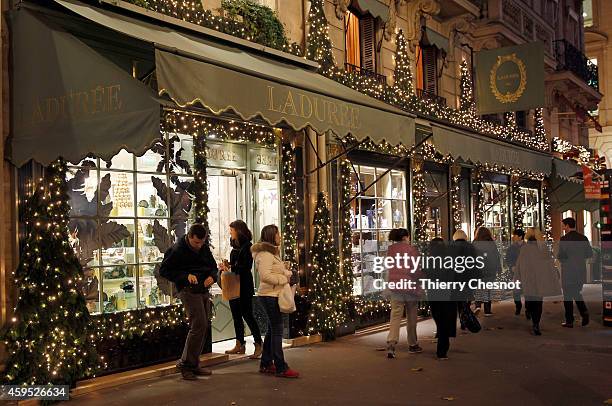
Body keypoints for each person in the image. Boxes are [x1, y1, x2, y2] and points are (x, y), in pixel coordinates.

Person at [159, 224, 218, 380]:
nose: (199, 246)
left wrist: (213, 276)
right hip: (188, 290)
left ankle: (193, 363)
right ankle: (186, 364)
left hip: (203, 290)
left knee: (203, 326)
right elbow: (164, 270)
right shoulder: (177, 249)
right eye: (196, 243)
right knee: (198, 324)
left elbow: (213, 266)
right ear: (190, 237)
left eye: (201, 243)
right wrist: (185, 277)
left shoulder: (204, 248)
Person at [251, 225, 299, 378]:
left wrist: (286, 271)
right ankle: (280, 366)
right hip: (269, 295)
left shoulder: (271, 253)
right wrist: (283, 278)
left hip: (272, 293)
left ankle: (266, 363)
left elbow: (272, 271)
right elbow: (265, 275)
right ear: (272, 235)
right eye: (278, 233)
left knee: (273, 329)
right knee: (277, 329)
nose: (280, 236)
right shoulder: (266, 254)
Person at [219, 220, 263, 358]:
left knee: (247, 314)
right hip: (233, 285)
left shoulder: (248, 247)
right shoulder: (234, 248)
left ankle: (258, 343)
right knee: (236, 316)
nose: (230, 233)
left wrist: (232, 267)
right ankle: (240, 344)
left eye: (231, 230)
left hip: (244, 285)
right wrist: (227, 265)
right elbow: (236, 265)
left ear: (238, 231)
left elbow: (245, 267)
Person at [384, 228, 423, 359]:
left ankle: (391, 343)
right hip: (410, 287)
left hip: (396, 287)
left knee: (395, 316)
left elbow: (389, 269)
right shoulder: (412, 250)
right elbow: (416, 270)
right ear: (405, 237)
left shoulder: (390, 250)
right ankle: (413, 344)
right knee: (411, 317)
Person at [515, 228, 562, 335]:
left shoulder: (524, 249)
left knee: (529, 299)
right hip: (540, 280)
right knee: (538, 302)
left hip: (528, 280)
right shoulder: (543, 248)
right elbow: (549, 264)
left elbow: (519, 265)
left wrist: (517, 279)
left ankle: (529, 311)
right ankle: (536, 324)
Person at [426, 237, 458, 360]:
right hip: (447, 293)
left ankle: (442, 346)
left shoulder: (430, 260)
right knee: (445, 319)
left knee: (439, 318)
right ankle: (443, 347)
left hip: (434, 294)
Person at [557, 217, 593, 328]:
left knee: (568, 296)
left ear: (567, 226)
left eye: (563, 225)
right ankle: (584, 313)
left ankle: (570, 321)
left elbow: (561, 256)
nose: (562, 227)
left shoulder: (564, 239)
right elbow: (589, 254)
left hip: (568, 271)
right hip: (580, 270)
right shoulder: (583, 238)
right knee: (576, 293)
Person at [448, 230, 480, 334]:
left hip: (456, 278)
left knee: (458, 300)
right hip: (468, 278)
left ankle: (462, 317)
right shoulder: (471, 247)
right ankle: (465, 316)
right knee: (466, 298)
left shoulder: (451, 247)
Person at [473, 227, 502, 316]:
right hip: (490, 269)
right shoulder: (491, 243)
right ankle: (487, 310)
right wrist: (499, 268)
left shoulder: (475, 243)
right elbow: (496, 256)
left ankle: (477, 305)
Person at [506, 229, 526, 316]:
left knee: (527, 290)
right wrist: (511, 266)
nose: (513, 237)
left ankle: (528, 309)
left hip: (526, 272)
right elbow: (508, 259)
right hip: (515, 272)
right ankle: (518, 306)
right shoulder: (511, 248)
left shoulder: (527, 246)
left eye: (515, 235)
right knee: (516, 291)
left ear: (520, 237)